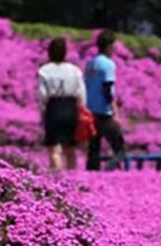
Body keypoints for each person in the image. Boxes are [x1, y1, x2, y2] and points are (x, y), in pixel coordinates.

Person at [37, 38, 86, 171]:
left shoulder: (44, 70)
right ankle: (72, 177)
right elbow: (81, 93)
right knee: (70, 148)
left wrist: (42, 110)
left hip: (53, 107)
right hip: (71, 107)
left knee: (54, 149)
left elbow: (42, 95)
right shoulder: (74, 70)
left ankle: (57, 178)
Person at [85, 31, 126, 171]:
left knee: (93, 150)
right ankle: (107, 172)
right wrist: (115, 112)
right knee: (120, 150)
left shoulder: (90, 64)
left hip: (90, 111)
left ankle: (91, 177)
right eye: (114, 44)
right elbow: (107, 89)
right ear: (108, 46)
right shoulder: (108, 64)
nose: (116, 47)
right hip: (104, 112)